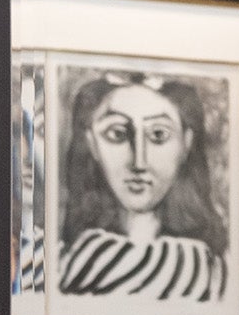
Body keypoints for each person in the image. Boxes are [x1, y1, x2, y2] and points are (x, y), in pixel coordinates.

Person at [58, 72, 228, 301]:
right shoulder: (60, 263)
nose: (139, 162)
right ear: (91, 143)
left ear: (187, 143)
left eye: (158, 135)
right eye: (117, 134)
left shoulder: (215, 272)